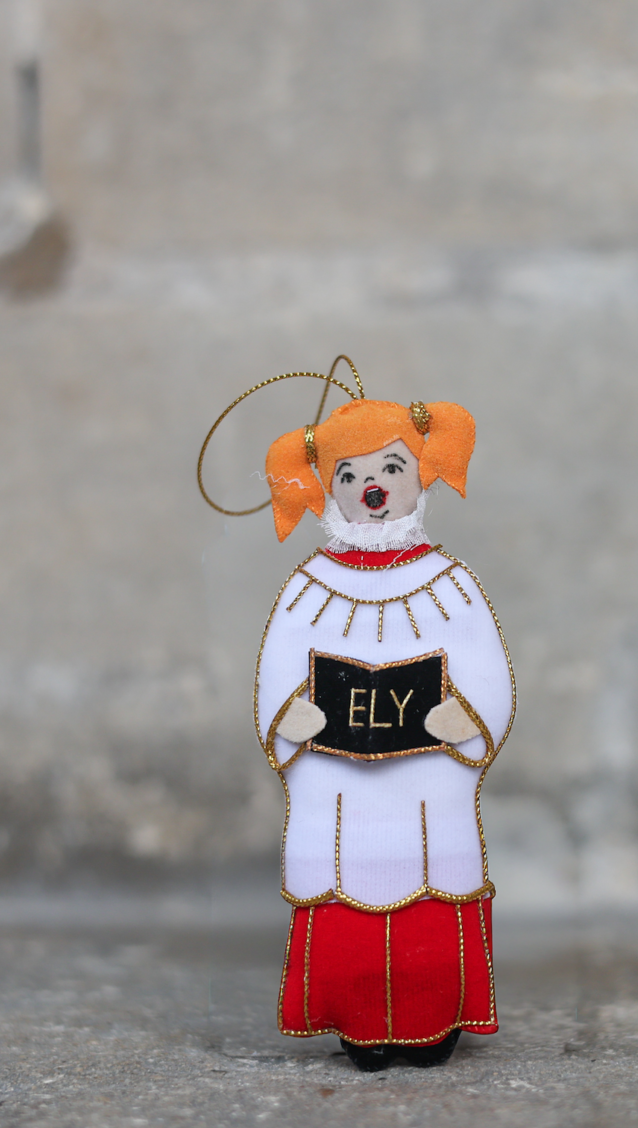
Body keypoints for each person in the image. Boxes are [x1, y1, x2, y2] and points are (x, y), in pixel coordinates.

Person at [200, 366, 515, 1071]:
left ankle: (435, 1019)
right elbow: (280, 671)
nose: (372, 488)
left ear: (419, 474)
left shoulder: (451, 585)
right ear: (328, 487)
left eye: (391, 468)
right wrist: (291, 718)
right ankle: (359, 1024)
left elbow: (487, 671)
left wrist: (468, 720)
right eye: (351, 475)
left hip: (430, 789)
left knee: (431, 897)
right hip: (337, 792)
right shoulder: (309, 589)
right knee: (345, 894)